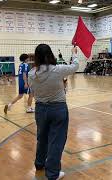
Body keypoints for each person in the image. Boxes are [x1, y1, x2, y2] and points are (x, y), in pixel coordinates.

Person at [28, 44, 79, 180]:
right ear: (50, 54)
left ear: (37, 57)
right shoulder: (58, 70)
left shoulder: (31, 74)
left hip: (40, 109)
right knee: (56, 142)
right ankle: (52, 174)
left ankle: (39, 164)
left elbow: (32, 92)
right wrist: (74, 53)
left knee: (42, 138)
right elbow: (75, 66)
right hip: (58, 109)